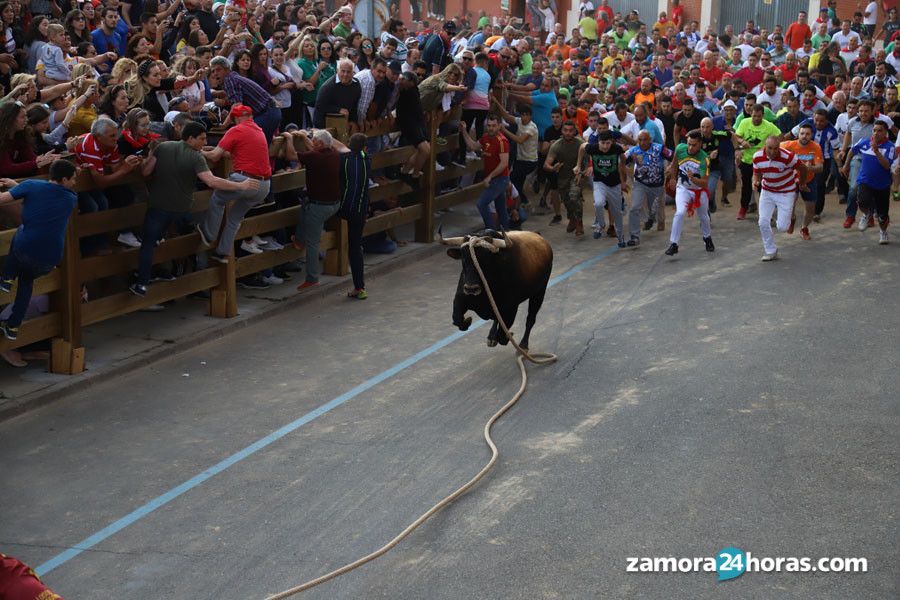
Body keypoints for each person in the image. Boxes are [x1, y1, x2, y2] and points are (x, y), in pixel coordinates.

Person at [130, 121, 260, 297]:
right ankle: (189, 280)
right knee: (190, 240)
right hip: (181, 209)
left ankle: (142, 283)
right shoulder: (195, 157)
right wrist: (241, 186)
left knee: (148, 244)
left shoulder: (164, 147)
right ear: (190, 138)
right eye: (201, 138)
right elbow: (212, 181)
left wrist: (148, 156)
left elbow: (145, 172)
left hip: (158, 206)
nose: (204, 142)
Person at [0, 160, 77, 341]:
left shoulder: (31, 186)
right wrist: (17, 186)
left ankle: (7, 278)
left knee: (22, 229)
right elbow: (44, 197)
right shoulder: (71, 199)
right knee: (26, 282)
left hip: (25, 251)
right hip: (48, 261)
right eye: (73, 179)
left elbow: (4, 200)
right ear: (64, 179)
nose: (74, 183)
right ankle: (12, 326)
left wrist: (16, 187)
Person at [196, 104, 271, 264]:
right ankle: (222, 253)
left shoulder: (236, 130)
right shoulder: (259, 130)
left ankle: (209, 235)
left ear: (236, 118)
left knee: (218, 198)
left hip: (246, 180)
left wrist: (201, 151)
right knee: (235, 218)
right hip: (264, 185)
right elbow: (239, 152)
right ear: (250, 117)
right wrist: (218, 149)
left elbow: (215, 157)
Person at [292, 128, 350, 291]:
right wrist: (305, 138)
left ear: (320, 144)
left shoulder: (315, 157)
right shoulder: (334, 154)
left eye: (315, 141)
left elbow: (291, 155)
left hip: (319, 206)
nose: (312, 143)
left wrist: (290, 139)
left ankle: (312, 278)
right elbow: (314, 149)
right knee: (305, 206)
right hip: (334, 204)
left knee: (313, 244)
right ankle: (299, 239)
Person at [753, 135, 808, 261]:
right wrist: (755, 181)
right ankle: (771, 251)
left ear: (779, 147)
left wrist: (803, 183)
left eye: (776, 148)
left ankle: (791, 217)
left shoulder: (788, 157)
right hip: (767, 191)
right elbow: (756, 173)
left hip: (786, 192)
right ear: (765, 147)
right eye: (769, 148)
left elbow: (803, 168)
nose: (772, 152)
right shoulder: (757, 157)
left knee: (782, 227)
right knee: (762, 222)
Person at [843, 120, 895, 244]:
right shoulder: (864, 142)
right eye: (874, 130)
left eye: (879, 131)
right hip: (865, 180)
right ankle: (867, 215)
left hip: (882, 184)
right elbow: (852, 151)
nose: (876, 133)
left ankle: (883, 232)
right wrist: (846, 165)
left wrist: (876, 151)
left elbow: (887, 166)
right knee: (862, 201)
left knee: (882, 215)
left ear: (885, 132)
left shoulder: (890, 147)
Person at [665, 130, 714, 256]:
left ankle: (707, 237)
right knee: (680, 212)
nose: (690, 147)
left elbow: (704, 183)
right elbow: (675, 164)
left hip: (699, 190)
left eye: (694, 145)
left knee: (704, 216)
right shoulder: (680, 149)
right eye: (689, 144)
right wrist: (672, 178)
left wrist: (693, 179)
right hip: (683, 188)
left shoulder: (705, 159)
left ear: (700, 144)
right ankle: (674, 243)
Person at [460, 113, 511, 230]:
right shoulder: (485, 137)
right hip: (494, 179)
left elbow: (504, 163)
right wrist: (464, 131)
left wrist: (489, 177)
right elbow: (473, 146)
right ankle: (506, 232)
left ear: (499, 126)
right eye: (489, 125)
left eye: (493, 126)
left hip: (500, 179)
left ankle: (490, 230)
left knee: (481, 203)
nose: (491, 128)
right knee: (500, 208)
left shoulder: (502, 141)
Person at [577, 129, 626, 245]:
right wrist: (578, 165)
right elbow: (582, 147)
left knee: (617, 212)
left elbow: (623, 159)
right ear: (598, 142)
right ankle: (600, 224)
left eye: (608, 143)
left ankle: (621, 238)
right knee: (598, 203)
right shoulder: (592, 148)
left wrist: (623, 176)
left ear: (612, 142)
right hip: (600, 182)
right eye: (602, 143)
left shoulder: (616, 149)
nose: (605, 146)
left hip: (615, 184)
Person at [337, 133, 372, 299]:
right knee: (355, 248)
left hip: (342, 209)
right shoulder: (367, 160)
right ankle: (360, 287)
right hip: (360, 211)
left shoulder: (343, 160)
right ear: (365, 148)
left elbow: (340, 148)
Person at [733, 104, 783, 220]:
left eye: (759, 116)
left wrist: (769, 148)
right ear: (751, 114)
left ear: (763, 115)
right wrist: (742, 141)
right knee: (746, 186)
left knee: (763, 187)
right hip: (747, 159)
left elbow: (780, 136)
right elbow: (736, 136)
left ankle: (764, 213)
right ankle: (743, 208)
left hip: (762, 161)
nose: (756, 119)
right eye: (754, 116)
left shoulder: (769, 126)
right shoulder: (745, 122)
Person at [625, 129, 672, 242]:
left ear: (650, 140)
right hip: (640, 184)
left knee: (655, 209)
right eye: (640, 140)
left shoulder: (659, 148)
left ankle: (656, 220)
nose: (642, 142)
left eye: (645, 140)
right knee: (635, 207)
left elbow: (673, 156)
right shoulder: (633, 151)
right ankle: (634, 236)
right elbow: (622, 162)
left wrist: (671, 168)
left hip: (657, 185)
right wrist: (628, 173)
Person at [781, 123, 823, 240]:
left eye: (807, 134)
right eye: (802, 133)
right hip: (791, 180)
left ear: (812, 135)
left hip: (809, 180)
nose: (804, 136)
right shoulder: (787, 145)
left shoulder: (816, 147)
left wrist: (808, 168)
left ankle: (804, 228)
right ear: (798, 134)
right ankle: (792, 219)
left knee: (811, 208)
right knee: (790, 205)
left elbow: (820, 168)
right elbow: (771, 149)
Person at [544, 120, 585, 236]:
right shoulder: (556, 145)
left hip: (576, 176)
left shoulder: (580, 144)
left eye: (571, 131)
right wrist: (553, 168)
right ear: (562, 131)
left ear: (574, 132)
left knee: (574, 196)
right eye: (565, 130)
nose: (568, 133)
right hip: (562, 177)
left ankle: (579, 223)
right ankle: (572, 218)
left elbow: (589, 158)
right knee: (567, 201)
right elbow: (546, 164)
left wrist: (583, 171)